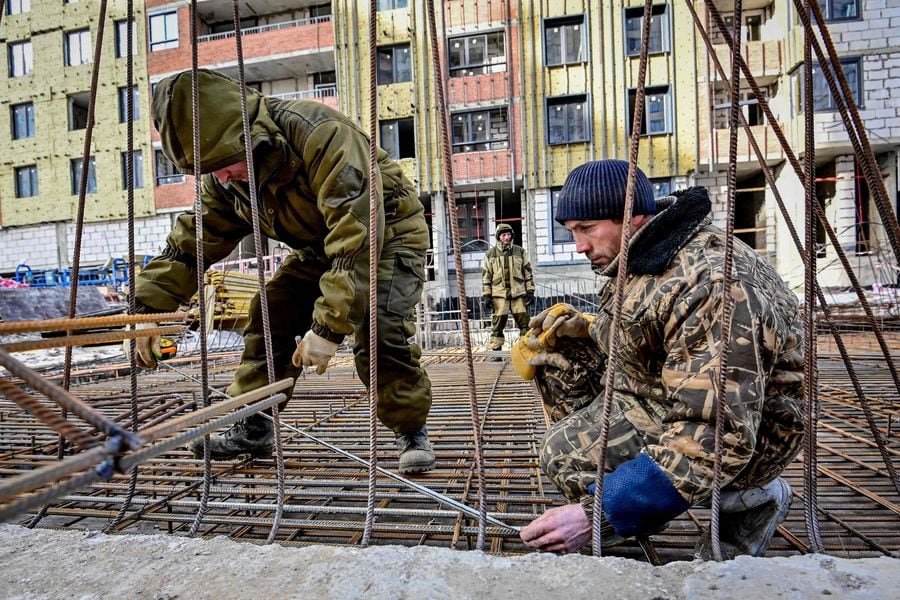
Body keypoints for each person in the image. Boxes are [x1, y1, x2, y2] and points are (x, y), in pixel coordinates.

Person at [126, 69, 435, 474]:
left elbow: (357, 237)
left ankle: (409, 427)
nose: (221, 176)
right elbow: (192, 245)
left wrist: (326, 329)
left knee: (379, 325)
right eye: (209, 169)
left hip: (388, 235)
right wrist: (148, 311)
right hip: (323, 246)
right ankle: (255, 425)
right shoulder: (225, 179)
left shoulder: (318, 133)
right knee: (271, 311)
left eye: (224, 163)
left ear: (245, 134)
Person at [512, 159, 804, 558]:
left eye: (587, 229)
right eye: (571, 231)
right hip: (675, 395)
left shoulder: (712, 284)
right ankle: (640, 504)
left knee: (574, 463)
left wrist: (599, 512)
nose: (579, 246)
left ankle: (750, 501)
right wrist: (585, 334)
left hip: (750, 430)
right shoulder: (649, 250)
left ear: (632, 217)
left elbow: (717, 432)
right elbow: (652, 329)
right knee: (563, 441)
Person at [481, 223, 535, 351]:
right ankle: (496, 349)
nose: (506, 237)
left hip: (518, 294)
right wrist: (487, 296)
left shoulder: (520, 252)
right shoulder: (490, 254)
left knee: (525, 324)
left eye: (509, 234)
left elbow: (527, 272)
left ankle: (526, 349)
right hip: (499, 296)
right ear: (499, 237)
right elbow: (486, 276)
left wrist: (530, 291)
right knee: (497, 325)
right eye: (504, 235)